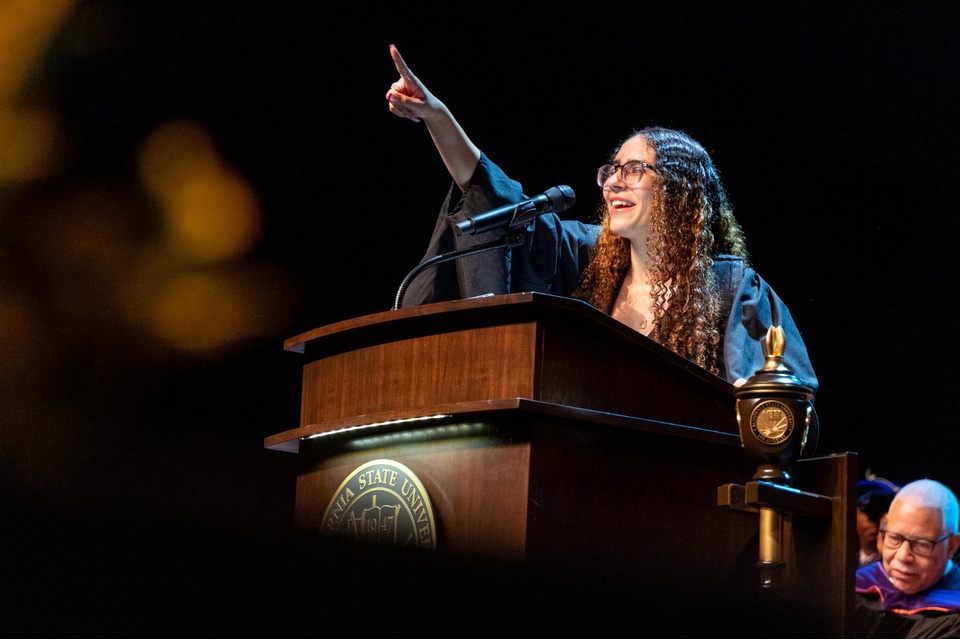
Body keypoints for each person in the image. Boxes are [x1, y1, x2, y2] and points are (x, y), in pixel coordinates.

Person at [384, 44, 817, 394]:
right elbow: (489, 195)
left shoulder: (729, 289)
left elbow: (778, 401)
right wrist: (437, 118)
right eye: (611, 171)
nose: (613, 184)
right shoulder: (589, 261)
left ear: (680, 193)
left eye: (633, 170)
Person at [855, 479, 960, 638]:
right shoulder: (859, 586)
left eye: (921, 544)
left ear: (951, 546)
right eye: (894, 538)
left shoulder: (954, 617)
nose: (903, 556)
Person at [858, 475, 902, 568]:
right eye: (865, 510)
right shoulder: (842, 559)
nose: (872, 519)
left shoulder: (896, 565)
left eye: (880, 511)